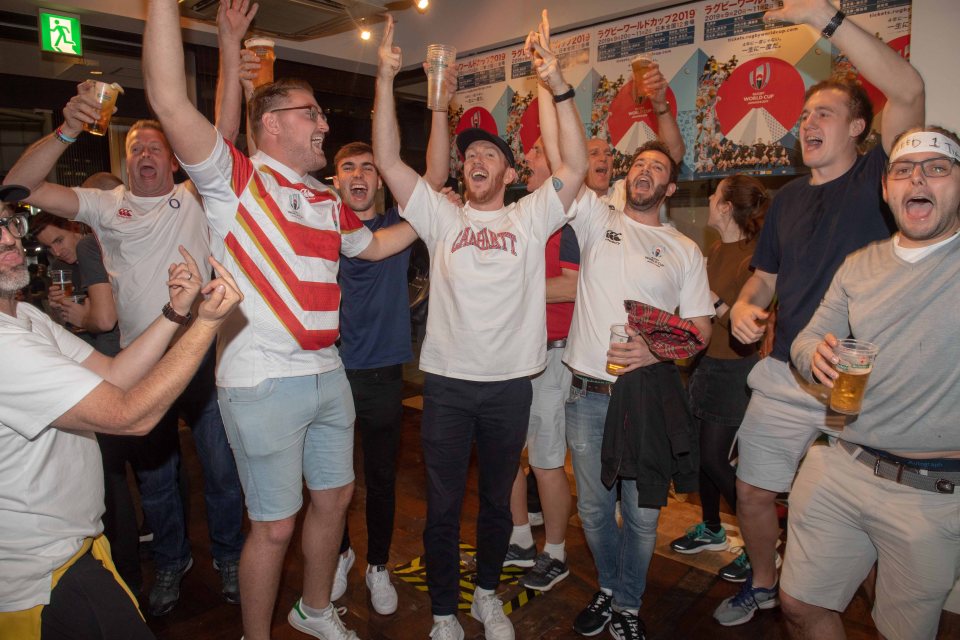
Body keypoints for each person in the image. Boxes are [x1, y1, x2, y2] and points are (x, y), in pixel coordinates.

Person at [141, 2, 420, 638]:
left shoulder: (325, 198)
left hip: (329, 373)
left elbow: (375, 245)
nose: (324, 122)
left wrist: (437, 216)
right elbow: (165, 94)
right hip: (261, 380)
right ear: (271, 125)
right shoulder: (233, 180)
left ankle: (315, 610)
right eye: (312, 113)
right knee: (273, 527)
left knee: (334, 501)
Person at [2, 2, 263, 616]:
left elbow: (221, 135)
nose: (147, 154)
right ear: (126, 160)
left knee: (222, 471)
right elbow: (19, 188)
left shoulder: (192, 197)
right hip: (132, 360)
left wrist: (228, 47)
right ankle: (171, 564)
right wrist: (67, 129)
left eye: (158, 148)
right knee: (156, 482)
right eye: (138, 147)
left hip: (200, 357)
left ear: (174, 162)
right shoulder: (105, 204)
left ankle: (229, 558)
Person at [373, 13, 587, 640]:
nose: (475, 160)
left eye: (490, 153)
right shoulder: (441, 217)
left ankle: (487, 596)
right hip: (445, 387)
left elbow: (572, 165)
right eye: (470, 154)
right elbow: (388, 158)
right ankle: (444, 612)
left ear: (510, 172)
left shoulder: (530, 218)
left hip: (510, 387)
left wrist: (556, 80)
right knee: (441, 508)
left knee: (498, 504)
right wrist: (386, 77)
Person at [714, 0, 925, 626]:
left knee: (865, 522)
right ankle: (763, 584)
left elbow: (909, 89)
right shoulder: (786, 201)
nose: (807, 123)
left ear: (859, 128)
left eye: (825, 114)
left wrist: (822, 17)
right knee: (752, 490)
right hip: (786, 371)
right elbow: (764, 280)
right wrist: (746, 313)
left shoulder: (882, 179)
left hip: (862, 384)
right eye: (804, 115)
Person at [0, 182, 243, 640]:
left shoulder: (24, 318)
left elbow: (114, 373)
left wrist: (176, 312)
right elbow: (130, 414)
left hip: (75, 553)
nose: (8, 238)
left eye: (8, 224)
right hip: (39, 580)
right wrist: (207, 324)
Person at [785, 126, 960, 640]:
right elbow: (809, 335)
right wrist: (811, 353)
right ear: (887, 189)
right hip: (842, 462)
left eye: (937, 168)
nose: (918, 178)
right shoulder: (860, 265)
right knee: (797, 604)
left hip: (930, 493)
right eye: (903, 170)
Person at [561, 136, 712, 639]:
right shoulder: (597, 218)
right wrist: (554, 85)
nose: (643, 171)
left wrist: (653, 350)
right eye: (638, 164)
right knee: (593, 509)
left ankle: (628, 603)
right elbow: (569, 157)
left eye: (657, 168)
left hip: (646, 396)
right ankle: (608, 587)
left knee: (642, 518)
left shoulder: (684, 249)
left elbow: (700, 328)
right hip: (588, 395)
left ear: (669, 187)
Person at [330, 138, 447, 614]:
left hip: (380, 373)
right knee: (330, 480)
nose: (359, 176)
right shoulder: (317, 226)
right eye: (348, 168)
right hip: (327, 369)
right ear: (335, 179)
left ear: (380, 180)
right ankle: (340, 553)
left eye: (368, 169)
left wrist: (437, 103)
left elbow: (434, 176)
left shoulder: (400, 227)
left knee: (379, 478)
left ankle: (377, 564)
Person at [669, 176, 767, 557]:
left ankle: (759, 545)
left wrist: (716, 302)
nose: (709, 198)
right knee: (699, 455)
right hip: (705, 366)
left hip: (735, 372)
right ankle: (711, 528)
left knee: (714, 457)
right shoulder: (714, 248)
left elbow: (752, 332)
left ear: (726, 206)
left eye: (715, 194)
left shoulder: (756, 255)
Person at [502, 130, 579, 592]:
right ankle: (518, 539)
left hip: (553, 354)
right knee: (508, 452)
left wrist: (513, 288)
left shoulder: (567, 222)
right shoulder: (519, 216)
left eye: (535, 152)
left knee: (548, 462)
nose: (528, 159)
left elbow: (572, 285)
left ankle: (556, 552)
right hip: (514, 353)